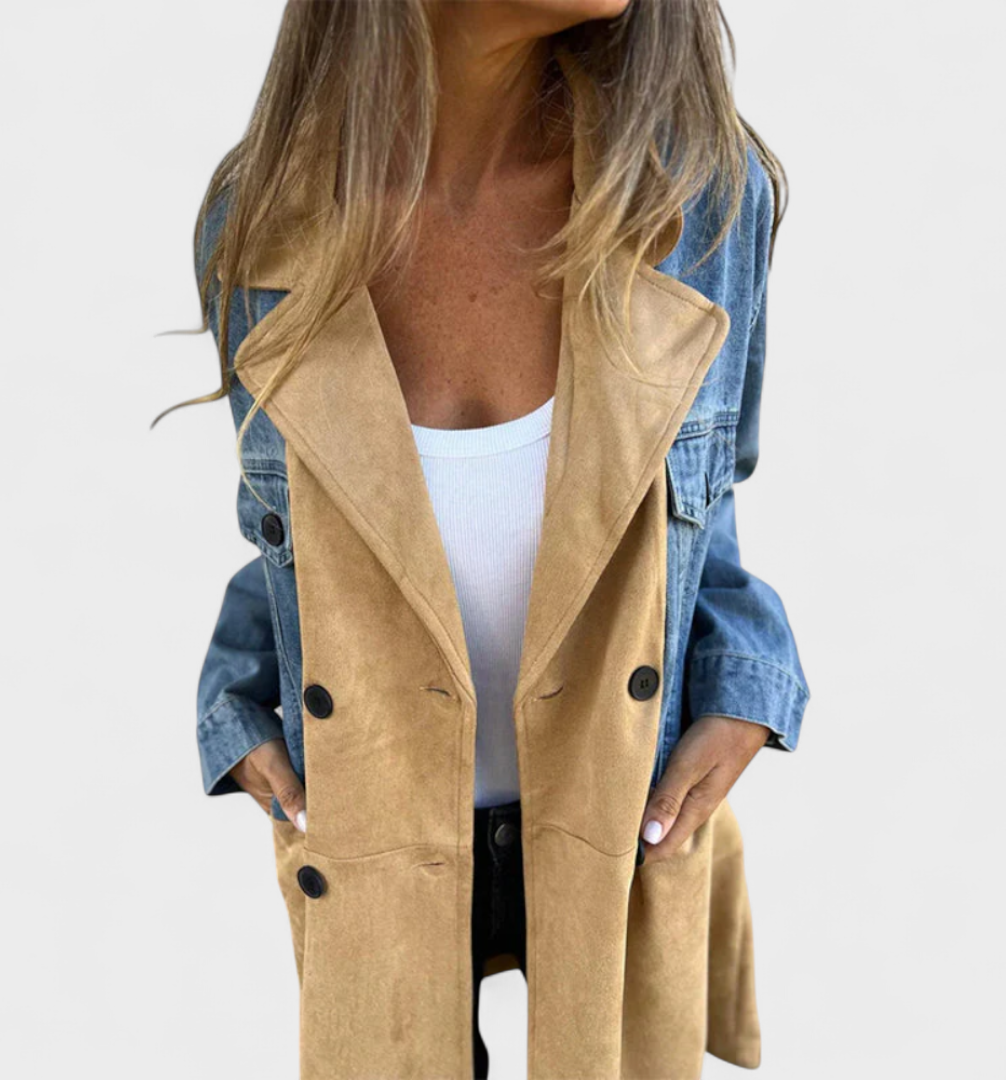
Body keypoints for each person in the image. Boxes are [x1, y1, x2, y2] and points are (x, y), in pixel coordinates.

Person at [157, 2, 811, 1076]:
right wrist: (233, 701)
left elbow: (705, 493)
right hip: (375, 826)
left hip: (618, 823)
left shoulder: (697, 198)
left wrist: (751, 679)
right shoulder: (261, 220)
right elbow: (292, 526)